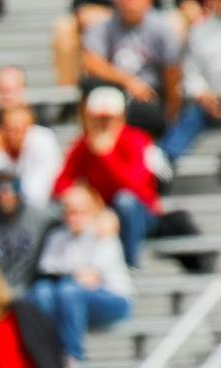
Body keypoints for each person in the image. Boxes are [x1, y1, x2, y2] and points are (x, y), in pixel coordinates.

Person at [55, 88, 163, 268]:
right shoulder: (83, 144)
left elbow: (136, 187)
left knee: (125, 202)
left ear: (121, 118)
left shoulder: (136, 140)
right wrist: (87, 202)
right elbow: (61, 183)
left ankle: (130, 263)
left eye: (108, 119)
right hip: (100, 212)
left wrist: (106, 156)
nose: (102, 125)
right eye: (98, 119)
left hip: (140, 213)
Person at [29, 186, 133, 362]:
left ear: (92, 210)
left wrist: (66, 277)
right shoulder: (57, 237)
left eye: (80, 211)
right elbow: (46, 273)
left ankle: (73, 356)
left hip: (112, 299)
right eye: (70, 211)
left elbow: (90, 280)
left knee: (68, 290)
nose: (74, 216)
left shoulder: (102, 232)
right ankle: (48, 355)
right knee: (42, 291)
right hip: (68, 296)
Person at [80, 0, 183, 138]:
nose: (129, 4)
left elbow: (172, 72)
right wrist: (129, 81)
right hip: (117, 92)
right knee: (92, 87)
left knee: (142, 112)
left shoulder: (162, 28)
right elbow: (92, 63)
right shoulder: (105, 26)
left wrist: (171, 111)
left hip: (150, 97)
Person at [0, 172, 53, 292]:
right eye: (1, 189)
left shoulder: (38, 218)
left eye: (12, 189)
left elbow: (69, 212)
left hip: (28, 293)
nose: (6, 195)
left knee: (44, 292)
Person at [0, 105, 63, 212]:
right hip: (5, 214)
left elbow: (36, 196)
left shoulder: (43, 141)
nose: (13, 135)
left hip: (44, 211)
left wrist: (4, 197)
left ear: (30, 128)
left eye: (19, 129)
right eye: (9, 130)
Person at [164, 0, 221, 161]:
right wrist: (204, 96)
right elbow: (191, 74)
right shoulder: (198, 32)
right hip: (209, 105)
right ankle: (163, 166)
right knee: (173, 144)